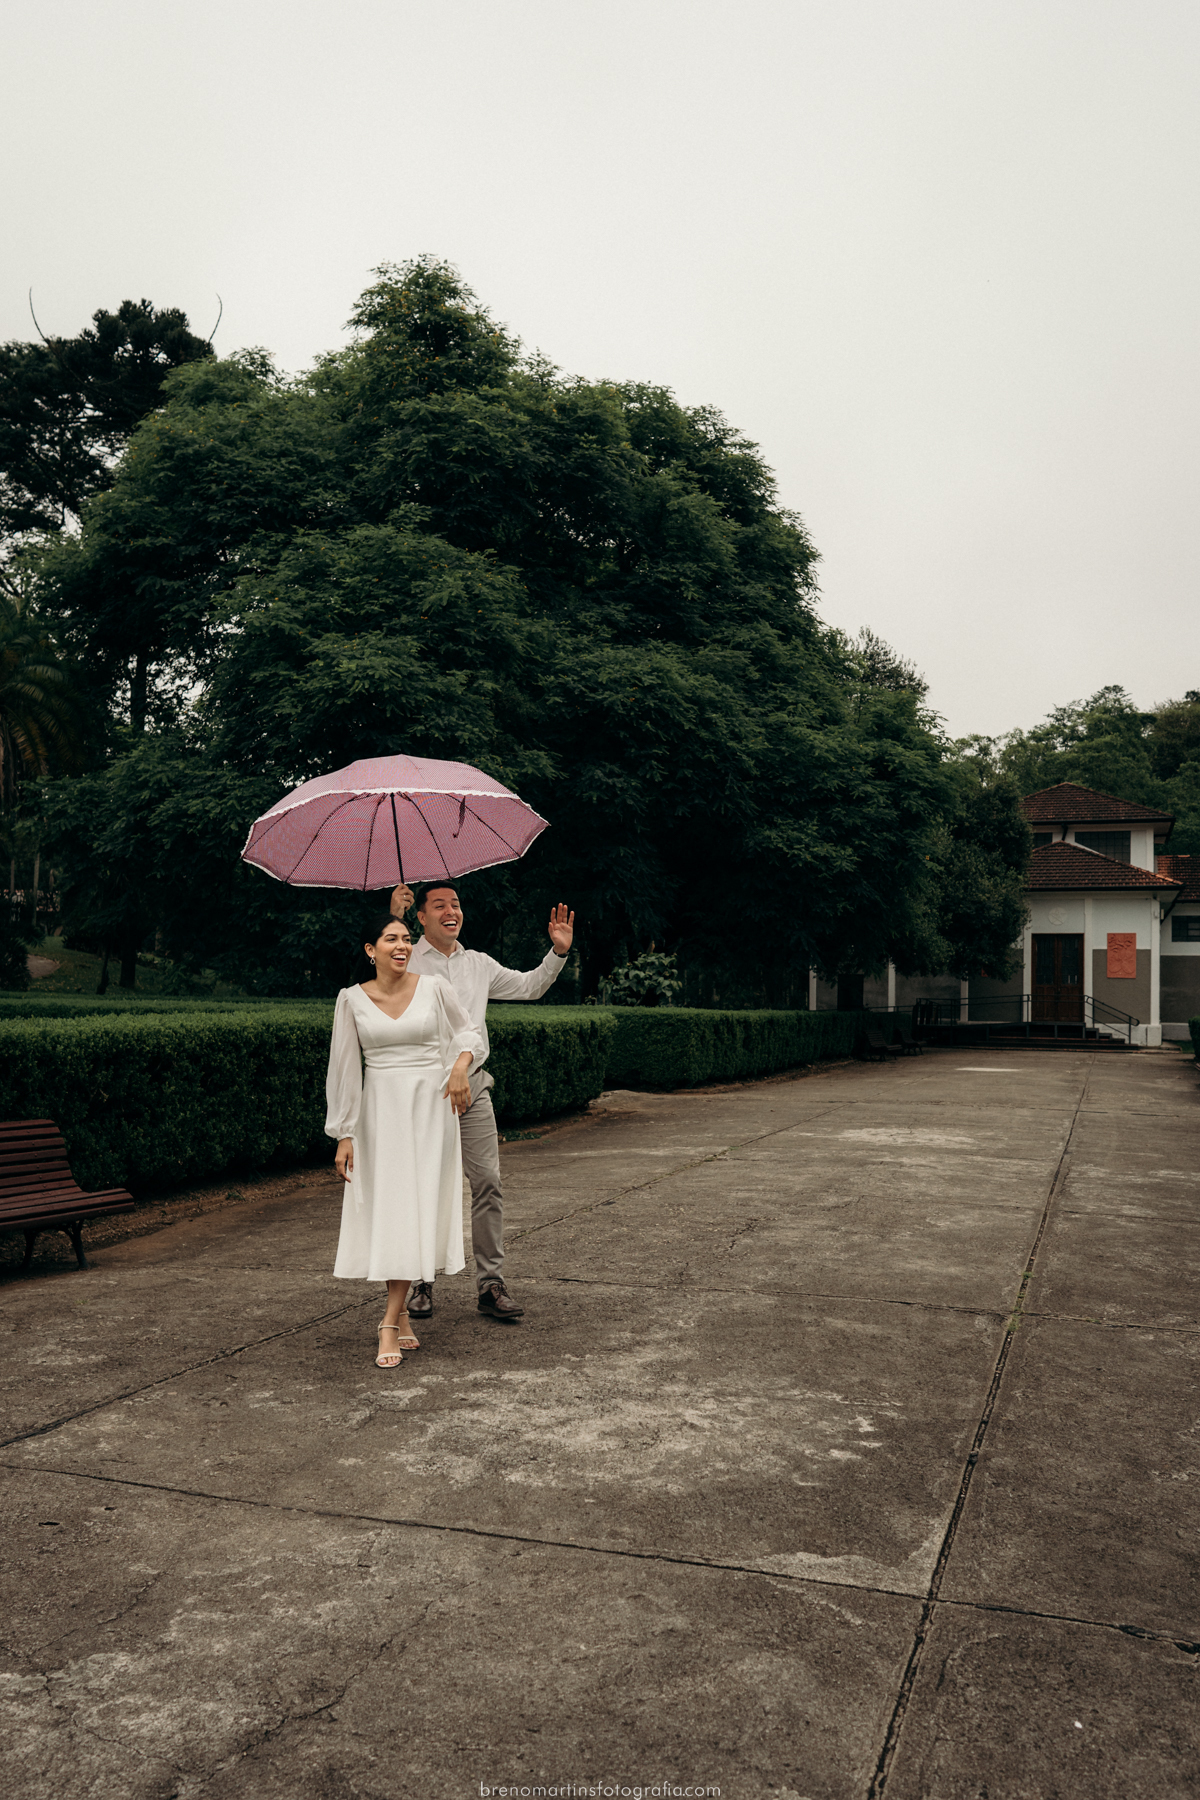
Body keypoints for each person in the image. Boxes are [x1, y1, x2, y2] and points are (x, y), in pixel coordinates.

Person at [396, 880, 574, 1321]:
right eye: (438, 905)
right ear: (421, 917)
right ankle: (420, 1281)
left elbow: (530, 987)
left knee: (488, 1183)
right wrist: (393, 921)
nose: (450, 911)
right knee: (425, 1190)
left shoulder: (478, 964)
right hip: (423, 1091)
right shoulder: (405, 956)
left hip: (472, 1087)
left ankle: (490, 1284)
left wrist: (558, 953)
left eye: (455, 904)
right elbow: (369, 984)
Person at [326, 912, 483, 1368]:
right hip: (380, 1116)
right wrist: (345, 1133)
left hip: (431, 1111)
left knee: (417, 1209)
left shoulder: (434, 988)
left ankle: (390, 1320)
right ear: (369, 950)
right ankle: (400, 1319)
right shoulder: (351, 999)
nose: (402, 945)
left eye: (407, 938)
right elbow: (344, 1072)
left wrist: (458, 1067)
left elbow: (469, 1032)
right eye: (390, 938)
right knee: (391, 1211)